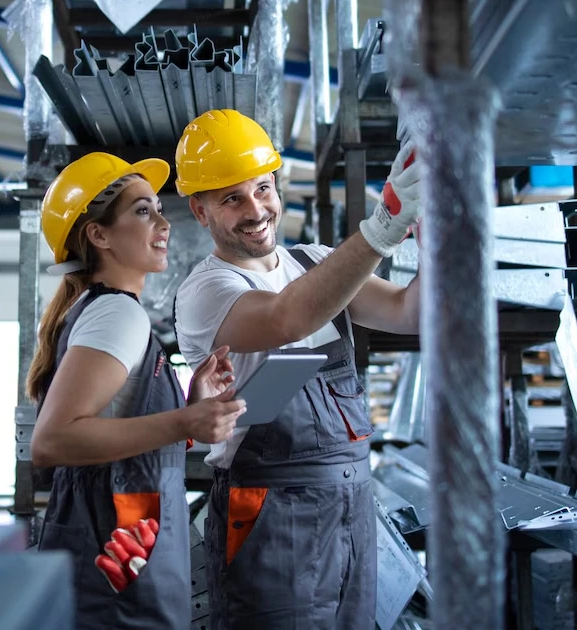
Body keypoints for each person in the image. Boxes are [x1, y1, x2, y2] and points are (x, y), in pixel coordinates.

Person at [172, 109, 424, 628]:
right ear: (200, 211)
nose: (254, 208)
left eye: (262, 189)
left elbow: (408, 311)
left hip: (351, 501)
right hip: (268, 512)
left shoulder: (314, 262)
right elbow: (288, 318)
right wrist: (381, 227)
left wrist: (437, 231)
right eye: (231, 198)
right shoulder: (206, 291)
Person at [26, 151, 248, 629]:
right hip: (118, 546)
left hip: (122, 541)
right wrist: (184, 421)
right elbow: (52, 441)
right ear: (99, 235)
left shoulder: (101, 309)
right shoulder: (117, 314)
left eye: (158, 208)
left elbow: (112, 428)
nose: (163, 223)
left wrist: (190, 409)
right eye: (142, 211)